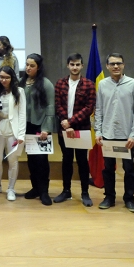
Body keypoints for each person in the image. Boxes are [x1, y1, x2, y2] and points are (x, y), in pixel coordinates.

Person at [95, 53, 134, 213]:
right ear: (107, 66)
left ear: (123, 65)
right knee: (108, 168)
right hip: (108, 134)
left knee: (129, 169)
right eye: (112, 64)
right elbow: (99, 109)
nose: (116, 66)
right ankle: (109, 197)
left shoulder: (133, 84)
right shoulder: (102, 84)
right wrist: (98, 131)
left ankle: (129, 199)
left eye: (119, 63)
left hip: (126, 135)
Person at [52, 53, 96, 207]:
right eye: (72, 64)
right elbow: (58, 105)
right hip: (64, 128)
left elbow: (89, 108)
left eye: (78, 64)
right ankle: (66, 191)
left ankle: (85, 192)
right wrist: (65, 122)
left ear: (82, 66)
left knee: (82, 161)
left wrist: (70, 122)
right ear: (68, 65)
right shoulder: (60, 83)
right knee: (67, 160)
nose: (75, 67)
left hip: (81, 128)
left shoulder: (89, 84)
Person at [20, 54, 55, 206]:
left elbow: (50, 107)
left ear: (38, 67)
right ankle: (35, 188)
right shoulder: (22, 82)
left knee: (42, 160)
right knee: (31, 159)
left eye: (32, 66)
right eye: (27, 65)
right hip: (26, 126)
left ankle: (44, 191)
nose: (28, 68)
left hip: (41, 127)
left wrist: (46, 128)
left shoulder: (46, 84)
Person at [0, 66, 26, 201]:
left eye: (7, 77)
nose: (4, 80)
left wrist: (21, 135)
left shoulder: (19, 91)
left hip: (13, 129)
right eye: (1, 77)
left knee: (12, 160)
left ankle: (11, 188)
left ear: (12, 78)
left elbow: (22, 114)